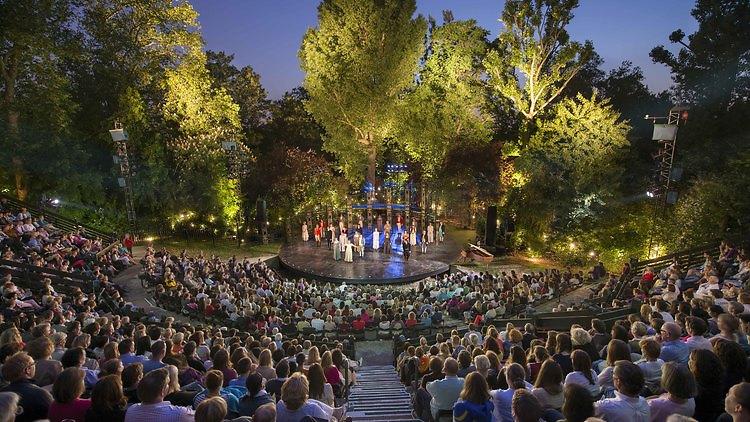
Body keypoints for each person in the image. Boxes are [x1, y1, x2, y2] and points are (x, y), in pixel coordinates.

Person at [124, 367, 195, 422]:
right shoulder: (179, 414)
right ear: (162, 391)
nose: (169, 385)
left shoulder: (131, 410)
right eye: (167, 384)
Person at [0, 352, 53, 422]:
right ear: (28, 370)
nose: (35, 366)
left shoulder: (2, 394)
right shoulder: (42, 395)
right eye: (34, 364)